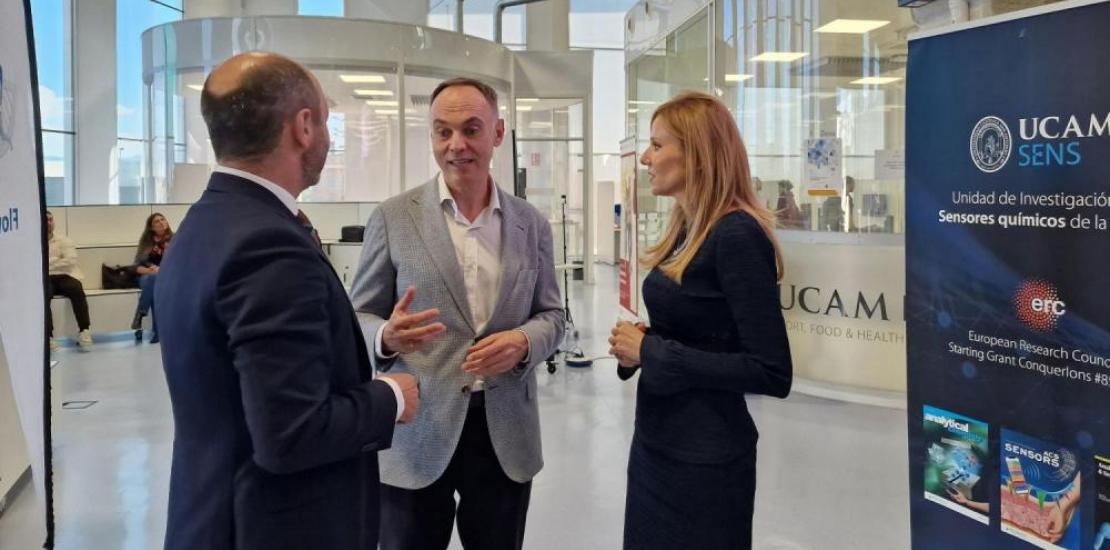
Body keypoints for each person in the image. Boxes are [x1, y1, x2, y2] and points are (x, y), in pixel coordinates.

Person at [155, 51, 418, 550]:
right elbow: (293, 433)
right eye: (325, 121)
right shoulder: (268, 247)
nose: (329, 137)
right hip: (274, 527)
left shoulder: (206, 223)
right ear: (302, 127)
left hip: (212, 512)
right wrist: (394, 395)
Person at [350, 77, 564, 550]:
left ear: (498, 133)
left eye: (471, 129)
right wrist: (386, 335)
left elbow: (553, 314)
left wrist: (525, 342)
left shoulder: (531, 224)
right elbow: (357, 315)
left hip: (504, 432)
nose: (456, 145)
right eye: (442, 132)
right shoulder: (393, 217)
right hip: (417, 428)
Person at [607, 91, 793, 550]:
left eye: (657, 145)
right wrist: (645, 343)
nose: (646, 158)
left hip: (704, 462)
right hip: (658, 441)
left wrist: (650, 351)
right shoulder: (686, 229)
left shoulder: (737, 235)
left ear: (698, 156)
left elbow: (771, 371)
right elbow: (702, 331)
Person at [45, 210, 92, 352]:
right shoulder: (34, 242)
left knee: (77, 289)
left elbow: (70, 261)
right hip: (46, 277)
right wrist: (57, 259)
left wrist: (49, 262)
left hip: (66, 275)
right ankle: (49, 335)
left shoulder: (65, 240)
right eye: (45, 220)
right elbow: (34, 263)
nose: (49, 223)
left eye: (51, 220)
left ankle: (84, 330)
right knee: (43, 294)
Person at [131, 212, 173, 343]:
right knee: (153, 281)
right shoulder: (146, 242)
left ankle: (141, 314)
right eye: (157, 221)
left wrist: (162, 270)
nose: (161, 222)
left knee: (156, 287)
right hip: (146, 276)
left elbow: (180, 261)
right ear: (151, 227)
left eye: (163, 219)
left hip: (167, 276)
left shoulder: (175, 239)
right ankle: (157, 331)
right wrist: (150, 271)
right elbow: (136, 266)